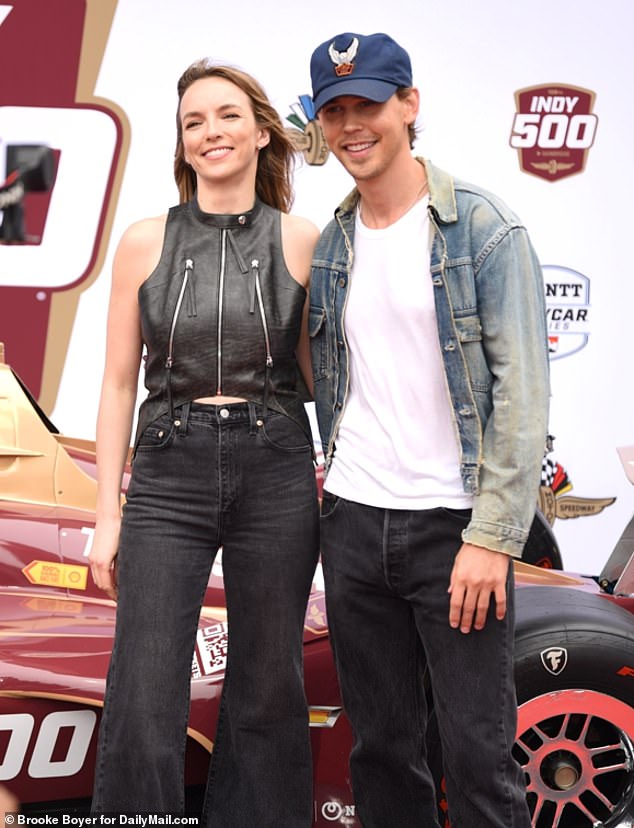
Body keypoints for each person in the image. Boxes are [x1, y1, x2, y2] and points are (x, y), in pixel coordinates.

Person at [308, 31, 550, 828]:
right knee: (381, 754)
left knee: (478, 758)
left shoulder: (484, 229)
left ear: (409, 106)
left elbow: (522, 394)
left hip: (455, 531)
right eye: (335, 109)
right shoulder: (333, 240)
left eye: (369, 104)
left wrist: (491, 538)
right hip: (351, 520)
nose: (353, 125)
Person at [89, 59, 320, 826]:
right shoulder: (143, 240)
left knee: (268, 686)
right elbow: (120, 382)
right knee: (146, 688)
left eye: (226, 116)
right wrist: (108, 515)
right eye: (194, 122)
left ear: (261, 132)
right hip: (168, 469)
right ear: (182, 147)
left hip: (278, 467)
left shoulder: (305, 240)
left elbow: (323, 382)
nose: (210, 131)